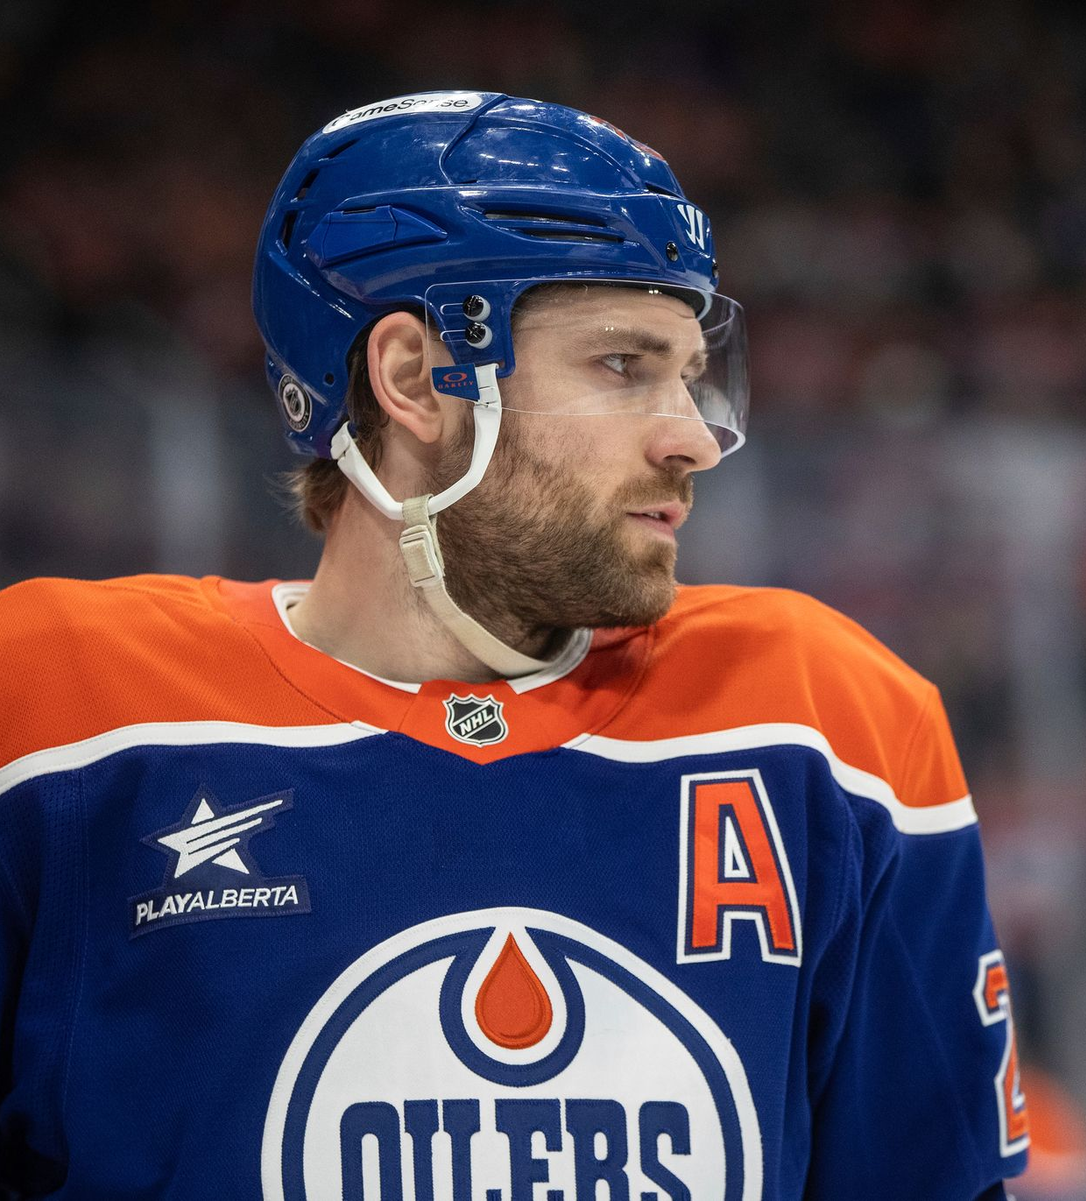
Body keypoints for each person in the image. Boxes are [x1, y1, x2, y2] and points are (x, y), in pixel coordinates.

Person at [0, 91, 1028, 1199]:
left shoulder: (828, 723)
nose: (692, 436)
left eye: (690, 372)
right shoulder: (62, 711)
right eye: (623, 366)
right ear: (412, 379)